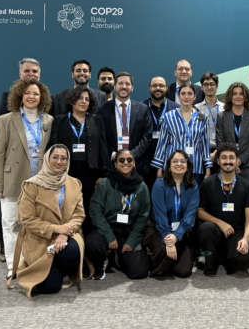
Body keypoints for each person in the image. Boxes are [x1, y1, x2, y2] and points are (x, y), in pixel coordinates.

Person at [0, 77, 53, 279]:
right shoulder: (6, 120)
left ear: (42, 97)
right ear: (20, 95)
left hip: (39, 183)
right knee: (11, 225)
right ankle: (13, 265)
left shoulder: (48, 121)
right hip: (13, 181)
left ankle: (33, 261)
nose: (31, 97)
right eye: (27, 93)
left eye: (36, 93)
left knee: (36, 225)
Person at [7, 144, 85, 300]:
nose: (59, 161)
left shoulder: (74, 183)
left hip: (67, 235)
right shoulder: (32, 185)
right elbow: (27, 220)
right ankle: (39, 267)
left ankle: (60, 268)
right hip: (40, 239)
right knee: (49, 288)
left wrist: (64, 234)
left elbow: (79, 214)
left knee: (72, 250)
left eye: (64, 158)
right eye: (55, 157)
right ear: (47, 159)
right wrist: (57, 229)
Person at [49, 86, 111, 235]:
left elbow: (103, 146)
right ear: (72, 100)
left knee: (88, 207)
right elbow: (53, 146)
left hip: (90, 173)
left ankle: (88, 242)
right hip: (66, 173)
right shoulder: (60, 120)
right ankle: (69, 239)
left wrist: (104, 173)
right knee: (68, 207)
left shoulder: (96, 120)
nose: (83, 101)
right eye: (80, 98)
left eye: (87, 99)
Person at [85, 149, 150, 280]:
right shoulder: (105, 183)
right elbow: (95, 211)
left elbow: (143, 215)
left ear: (134, 163)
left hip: (128, 230)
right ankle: (102, 260)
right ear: (115, 164)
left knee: (139, 272)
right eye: (121, 160)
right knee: (92, 244)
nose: (125, 162)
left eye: (129, 160)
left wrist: (132, 240)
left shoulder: (142, 186)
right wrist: (109, 235)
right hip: (107, 228)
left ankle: (118, 257)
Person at [197, 143, 249, 276]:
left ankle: (224, 257)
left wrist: (246, 239)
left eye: (231, 157)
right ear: (218, 161)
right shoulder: (208, 184)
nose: (228, 161)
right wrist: (220, 222)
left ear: (237, 161)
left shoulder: (246, 186)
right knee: (206, 228)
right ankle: (211, 264)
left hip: (237, 233)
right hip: (215, 232)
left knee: (243, 259)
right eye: (224, 158)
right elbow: (199, 211)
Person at [143, 150, 199, 280]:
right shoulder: (159, 184)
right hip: (159, 229)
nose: (179, 164)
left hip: (181, 230)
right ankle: (157, 263)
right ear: (169, 166)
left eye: (182, 161)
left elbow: (190, 216)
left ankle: (167, 261)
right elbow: (159, 215)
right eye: (175, 161)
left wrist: (176, 236)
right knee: (164, 249)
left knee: (184, 271)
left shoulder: (193, 186)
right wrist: (169, 240)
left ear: (187, 166)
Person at [152, 84, 212, 186]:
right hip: (173, 166)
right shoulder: (168, 116)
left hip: (195, 166)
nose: (186, 96)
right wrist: (159, 168)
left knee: (192, 198)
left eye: (190, 93)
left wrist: (208, 169)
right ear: (179, 96)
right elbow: (162, 143)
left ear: (195, 96)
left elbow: (205, 145)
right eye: (183, 93)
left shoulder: (203, 117)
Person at [99, 71, 154, 176]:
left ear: (132, 87)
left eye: (127, 84)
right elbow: (102, 138)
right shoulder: (103, 109)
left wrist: (130, 156)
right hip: (112, 166)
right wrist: (114, 156)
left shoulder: (143, 109)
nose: (124, 87)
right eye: (120, 83)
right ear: (115, 86)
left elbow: (147, 136)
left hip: (138, 165)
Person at [215, 82, 249, 183]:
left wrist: (239, 160)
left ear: (245, 96)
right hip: (227, 164)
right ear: (229, 96)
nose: (238, 96)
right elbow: (220, 142)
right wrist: (231, 161)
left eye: (241, 94)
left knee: (248, 196)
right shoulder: (221, 116)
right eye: (234, 93)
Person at [143, 76, 180, 190]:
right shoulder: (141, 107)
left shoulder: (176, 109)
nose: (157, 88)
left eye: (161, 86)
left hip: (169, 161)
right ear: (149, 88)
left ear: (167, 88)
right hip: (146, 161)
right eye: (154, 86)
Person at [195, 72, 225, 153]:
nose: (209, 87)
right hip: (201, 150)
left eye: (212, 84)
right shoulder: (196, 109)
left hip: (221, 150)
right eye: (206, 84)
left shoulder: (225, 108)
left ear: (217, 86)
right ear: (202, 87)